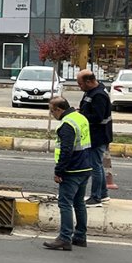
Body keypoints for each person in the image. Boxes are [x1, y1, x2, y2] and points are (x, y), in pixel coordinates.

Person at [42, 96, 92, 251]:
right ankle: (80, 236)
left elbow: (66, 151)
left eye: (52, 111)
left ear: (58, 109)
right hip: (85, 166)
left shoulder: (67, 125)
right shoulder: (80, 117)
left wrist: (59, 171)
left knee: (65, 203)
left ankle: (64, 238)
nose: (52, 115)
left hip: (72, 170)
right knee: (79, 203)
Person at [76, 70, 113, 207]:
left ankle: (96, 198)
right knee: (97, 165)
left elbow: (98, 117)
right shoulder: (91, 91)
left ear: (88, 81)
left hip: (98, 135)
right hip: (95, 134)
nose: (79, 87)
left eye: (80, 84)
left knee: (95, 167)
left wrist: (81, 116)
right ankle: (103, 194)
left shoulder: (99, 95)